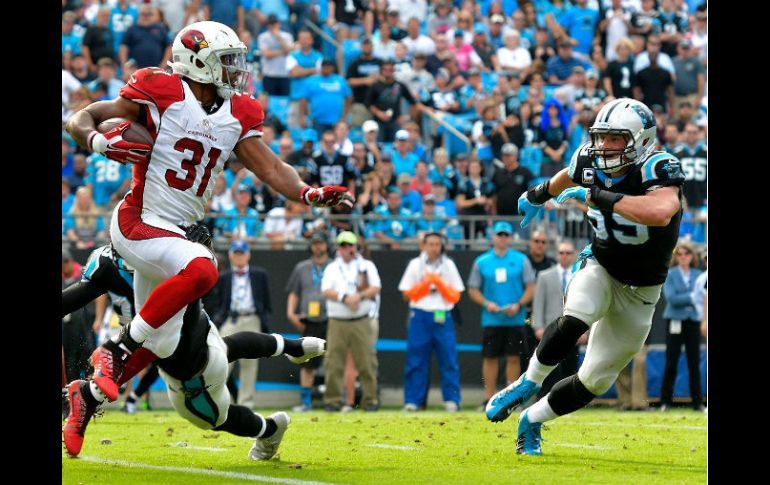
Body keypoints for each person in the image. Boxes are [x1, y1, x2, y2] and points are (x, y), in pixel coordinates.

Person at [65, 20, 354, 414]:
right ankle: (114, 350)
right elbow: (81, 117)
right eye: (226, 60)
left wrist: (307, 192)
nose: (235, 69)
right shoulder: (161, 90)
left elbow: (270, 168)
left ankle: (84, 399)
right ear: (197, 62)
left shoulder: (236, 111)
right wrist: (97, 141)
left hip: (177, 232)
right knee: (204, 269)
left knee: (163, 341)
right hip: (140, 218)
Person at [486, 98, 685, 456]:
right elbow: (569, 174)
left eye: (615, 139)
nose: (605, 147)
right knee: (577, 314)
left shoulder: (658, 166)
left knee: (595, 379)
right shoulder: (588, 158)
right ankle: (528, 381)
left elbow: (660, 211)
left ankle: (531, 419)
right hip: (601, 264)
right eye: (601, 137)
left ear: (640, 140)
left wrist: (600, 196)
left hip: (642, 290)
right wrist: (538, 193)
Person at [467, 221, 536, 409]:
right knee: (490, 358)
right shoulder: (482, 261)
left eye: (506, 235)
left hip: (515, 318)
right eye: (500, 235)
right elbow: (473, 289)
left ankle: (510, 398)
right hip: (492, 318)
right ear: (493, 237)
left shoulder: (521, 260)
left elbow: (531, 287)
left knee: (514, 357)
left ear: (510, 238)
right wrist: (487, 303)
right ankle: (489, 398)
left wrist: (519, 304)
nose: (503, 238)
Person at [398, 232, 465, 412]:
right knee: (416, 360)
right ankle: (412, 401)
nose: (434, 247)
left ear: (441, 246)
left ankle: (452, 400)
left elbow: (456, 294)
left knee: (449, 360)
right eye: (431, 244)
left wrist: (438, 282)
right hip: (420, 315)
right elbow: (406, 293)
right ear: (424, 245)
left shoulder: (448, 265)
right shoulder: (415, 264)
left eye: (437, 244)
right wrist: (427, 283)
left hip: (443, 315)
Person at [321, 231, 382, 411]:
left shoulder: (366, 265)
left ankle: (370, 400)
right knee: (333, 362)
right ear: (338, 248)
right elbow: (326, 290)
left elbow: (376, 287)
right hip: (338, 321)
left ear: (356, 247)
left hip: (360, 320)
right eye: (343, 245)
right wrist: (344, 297)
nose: (347, 249)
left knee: (367, 361)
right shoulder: (332, 267)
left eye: (350, 245)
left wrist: (359, 296)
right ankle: (332, 401)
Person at [209, 240, 273, 409]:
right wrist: (218, 321)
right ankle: (223, 404)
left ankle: (246, 405)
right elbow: (217, 302)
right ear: (230, 255)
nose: (239, 257)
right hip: (230, 321)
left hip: (252, 319)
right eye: (236, 253)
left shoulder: (260, 275)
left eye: (242, 253)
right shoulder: (223, 277)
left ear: (248, 255)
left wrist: (262, 320)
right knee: (222, 363)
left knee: (250, 365)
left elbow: (266, 302)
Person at [531, 241, 586, 399]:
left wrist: (586, 331)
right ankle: (543, 398)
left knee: (570, 368)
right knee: (547, 368)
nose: (564, 256)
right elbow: (538, 303)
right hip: (550, 329)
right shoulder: (545, 276)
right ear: (556, 255)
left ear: (574, 255)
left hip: (573, 329)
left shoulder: (581, 276)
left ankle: (566, 400)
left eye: (568, 253)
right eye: (561, 252)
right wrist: (538, 327)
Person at [286, 233, 332, 412]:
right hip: (309, 319)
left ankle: (333, 399)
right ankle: (306, 402)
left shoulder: (335, 266)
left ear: (326, 245)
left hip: (331, 317)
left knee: (333, 360)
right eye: (314, 244)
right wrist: (291, 313)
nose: (318, 247)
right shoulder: (302, 267)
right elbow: (294, 292)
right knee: (307, 362)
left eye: (320, 243)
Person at [660, 241, 703, 411]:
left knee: (694, 362)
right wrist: (693, 296)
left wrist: (690, 297)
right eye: (680, 253)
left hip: (693, 321)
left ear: (692, 256)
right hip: (675, 320)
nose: (683, 256)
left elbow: (702, 298)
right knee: (671, 361)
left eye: (686, 253)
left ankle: (698, 402)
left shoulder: (699, 274)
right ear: (676, 257)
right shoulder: (670, 274)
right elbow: (671, 298)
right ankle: (665, 401)